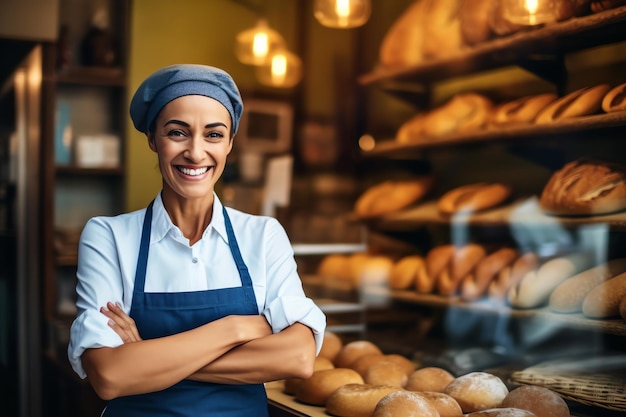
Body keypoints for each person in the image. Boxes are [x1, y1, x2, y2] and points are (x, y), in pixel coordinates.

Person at [67, 64, 326, 417]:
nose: (196, 152)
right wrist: (237, 327)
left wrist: (146, 355)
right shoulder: (109, 237)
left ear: (230, 143)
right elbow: (110, 376)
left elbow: (297, 357)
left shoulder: (263, 236)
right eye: (177, 132)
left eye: (214, 135)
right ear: (152, 139)